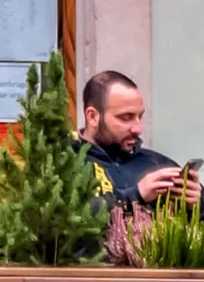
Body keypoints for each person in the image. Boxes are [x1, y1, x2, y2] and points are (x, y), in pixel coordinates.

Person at [76, 67, 189, 205]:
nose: (138, 129)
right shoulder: (66, 164)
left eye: (140, 117)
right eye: (126, 117)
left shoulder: (157, 164)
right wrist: (136, 196)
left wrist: (196, 205)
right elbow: (69, 217)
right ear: (93, 117)